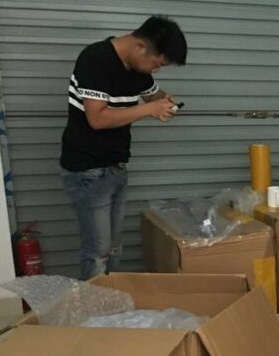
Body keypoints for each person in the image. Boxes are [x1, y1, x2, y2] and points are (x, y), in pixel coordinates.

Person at [61, 16, 187, 279]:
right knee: (97, 251)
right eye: (157, 63)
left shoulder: (138, 69)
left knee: (113, 249)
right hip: (88, 170)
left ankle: (112, 299)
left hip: (116, 167)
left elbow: (153, 95)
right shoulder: (95, 59)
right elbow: (97, 119)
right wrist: (149, 110)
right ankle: (94, 303)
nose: (156, 70)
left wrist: (166, 102)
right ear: (140, 47)